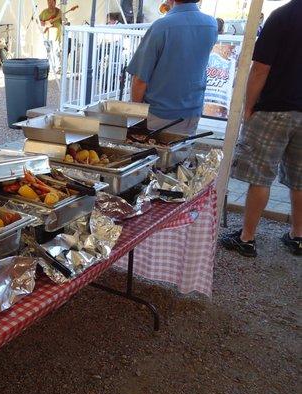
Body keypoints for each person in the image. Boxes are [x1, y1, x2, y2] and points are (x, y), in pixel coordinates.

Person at [220, 0, 302, 257]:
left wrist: (248, 108)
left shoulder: (282, 16)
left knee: (260, 177)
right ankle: (298, 236)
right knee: (300, 180)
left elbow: (260, 69)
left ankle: (247, 237)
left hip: (274, 110)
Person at [126, 0, 217, 135]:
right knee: (181, 153)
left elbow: (140, 78)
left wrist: (136, 115)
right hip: (193, 109)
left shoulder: (162, 26)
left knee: (153, 154)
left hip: (159, 112)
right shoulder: (211, 24)